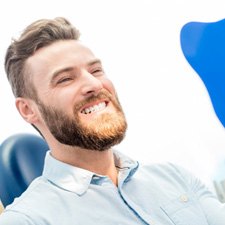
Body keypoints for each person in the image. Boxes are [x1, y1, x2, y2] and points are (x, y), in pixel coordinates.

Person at [0, 17, 224, 225]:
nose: (94, 85)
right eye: (65, 79)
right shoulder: (28, 220)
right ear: (28, 109)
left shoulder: (175, 177)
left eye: (96, 70)